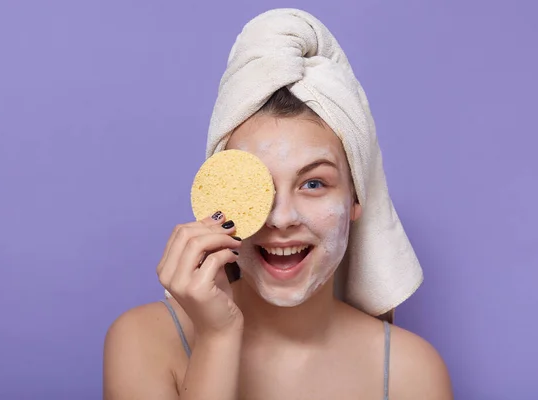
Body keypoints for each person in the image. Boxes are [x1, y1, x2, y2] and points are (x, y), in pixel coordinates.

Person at [103, 9, 453, 400]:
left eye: (314, 183)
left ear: (356, 198)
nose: (281, 218)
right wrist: (218, 337)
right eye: (257, 187)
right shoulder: (143, 343)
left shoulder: (412, 372)